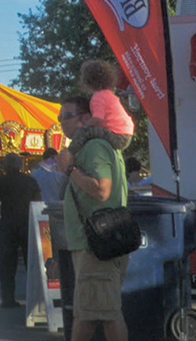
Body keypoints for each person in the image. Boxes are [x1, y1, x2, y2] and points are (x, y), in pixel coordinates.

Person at [60, 95, 129, 341]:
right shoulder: (96, 146)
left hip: (95, 247)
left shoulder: (94, 147)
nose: (61, 123)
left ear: (86, 118)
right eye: (60, 118)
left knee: (102, 315)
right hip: (96, 245)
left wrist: (70, 169)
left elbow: (102, 189)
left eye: (66, 116)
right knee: (89, 312)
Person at [0, 153, 41, 308]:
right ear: (21, 165)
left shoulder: (1, 182)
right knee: (30, 261)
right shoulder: (30, 181)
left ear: (6, 166)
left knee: (8, 263)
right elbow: (39, 201)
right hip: (27, 223)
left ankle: (7, 298)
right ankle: (35, 298)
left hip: (7, 224)